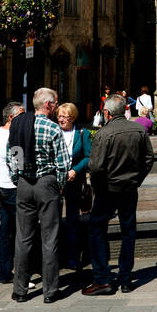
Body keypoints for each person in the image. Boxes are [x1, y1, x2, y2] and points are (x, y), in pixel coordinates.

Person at [83, 92, 154, 295]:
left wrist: (97, 186)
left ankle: (103, 279)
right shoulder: (139, 130)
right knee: (128, 232)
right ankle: (125, 279)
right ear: (125, 109)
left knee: (96, 230)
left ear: (106, 113)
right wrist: (137, 180)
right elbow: (149, 159)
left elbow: (95, 167)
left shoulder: (104, 134)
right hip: (129, 189)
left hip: (107, 189)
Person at [8, 88, 69, 304]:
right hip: (46, 184)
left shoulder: (18, 124)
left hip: (25, 184)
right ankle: (51, 291)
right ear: (49, 105)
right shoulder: (53, 128)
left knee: (23, 238)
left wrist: (19, 180)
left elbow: (13, 159)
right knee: (49, 237)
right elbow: (63, 164)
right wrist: (59, 185)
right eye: (55, 104)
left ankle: (20, 290)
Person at [0, 100, 24, 284]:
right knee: (23, 231)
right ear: (11, 117)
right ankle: (22, 272)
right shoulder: (11, 137)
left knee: (6, 231)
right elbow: (19, 164)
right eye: (21, 115)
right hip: (12, 189)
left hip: (2, 187)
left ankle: (3, 273)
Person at [56, 103, 92, 275]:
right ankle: (55, 259)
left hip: (74, 182)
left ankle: (72, 259)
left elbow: (88, 157)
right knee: (53, 221)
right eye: (60, 116)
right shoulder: (53, 131)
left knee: (72, 220)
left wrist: (75, 170)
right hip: (55, 183)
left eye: (65, 116)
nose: (61, 119)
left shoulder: (82, 133)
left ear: (73, 117)